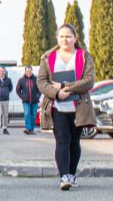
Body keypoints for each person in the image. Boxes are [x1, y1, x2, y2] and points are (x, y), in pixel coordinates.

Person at [37, 24, 96, 190]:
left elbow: (89, 81)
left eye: (68, 36)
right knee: (62, 140)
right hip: (57, 107)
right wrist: (56, 93)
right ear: (57, 38)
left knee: (74, 142)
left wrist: (65, 87)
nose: (65, 39)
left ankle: (72, 174)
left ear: (75, 38)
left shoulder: (84, 56)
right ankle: (64, 177)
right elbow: (41, 82)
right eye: (62, 36)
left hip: (79, 107)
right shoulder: (48, 57)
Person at [16, 66, 41, 135]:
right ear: (25, 71)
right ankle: (27, 128)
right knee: (27, 114)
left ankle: (31, 130)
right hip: (26, 101)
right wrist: (22, 97)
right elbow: (17, 90)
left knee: (33, 115)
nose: (28, 73)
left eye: (30, 71)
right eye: (27, 71)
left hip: (34, 101)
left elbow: (40, 89)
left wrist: (38, 97)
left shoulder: (36, 79)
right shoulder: (21, 80)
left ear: (32, 71)